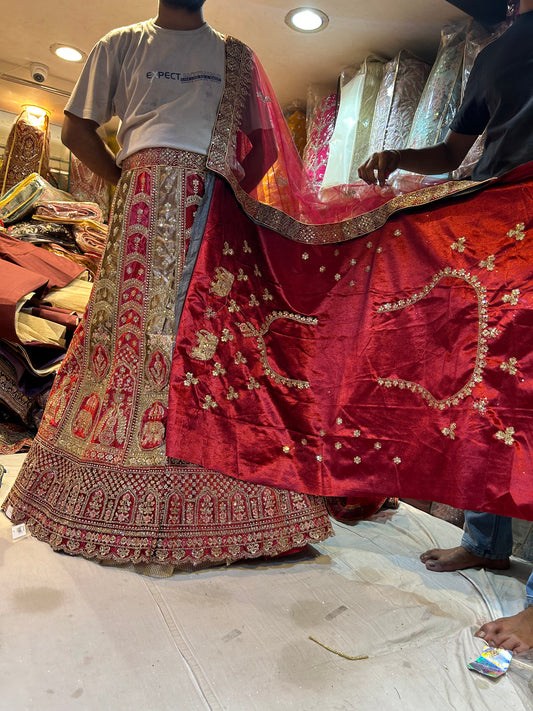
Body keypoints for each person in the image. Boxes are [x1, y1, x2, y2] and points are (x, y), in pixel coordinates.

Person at [1, 0, 335, 573]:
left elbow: (268, 148)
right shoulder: (122, 43)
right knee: (134, 337)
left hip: (208, 211)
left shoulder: (238, 57)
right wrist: (123, 179)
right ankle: (122, 475)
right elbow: (77, 127)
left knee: (203, 338)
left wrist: (227, 192)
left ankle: (211, 494)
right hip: (141, 206)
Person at [358, 0, 533, 651]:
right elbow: (455, 149)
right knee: (489, 387)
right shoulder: (493, 54)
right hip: (500, 219)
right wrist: (392, 157)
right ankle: (485, 544)